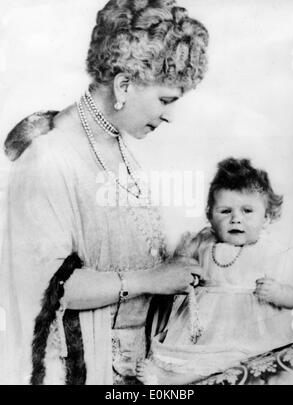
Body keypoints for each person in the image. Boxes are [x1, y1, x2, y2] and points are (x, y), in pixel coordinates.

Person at [0, 0, 209, 385]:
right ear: (124, 85)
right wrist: (153, 279)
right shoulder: (50, 157)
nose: (170, 116)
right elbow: (44, 290)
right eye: (165, 100)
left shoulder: (114, 144)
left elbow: (127, 253)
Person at [137, 157, 293, 385]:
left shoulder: (269, 250)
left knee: (235, 359)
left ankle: (177, 379)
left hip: (248, 324)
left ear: (267, 217)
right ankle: (170, 377)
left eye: (247, 211)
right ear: (210, 216)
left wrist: (279, 292)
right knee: (197, 354)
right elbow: (179, 267)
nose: (236, 219)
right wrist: (184, 256)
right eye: (225, 211)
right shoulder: (204, 243)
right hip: (206, 322)